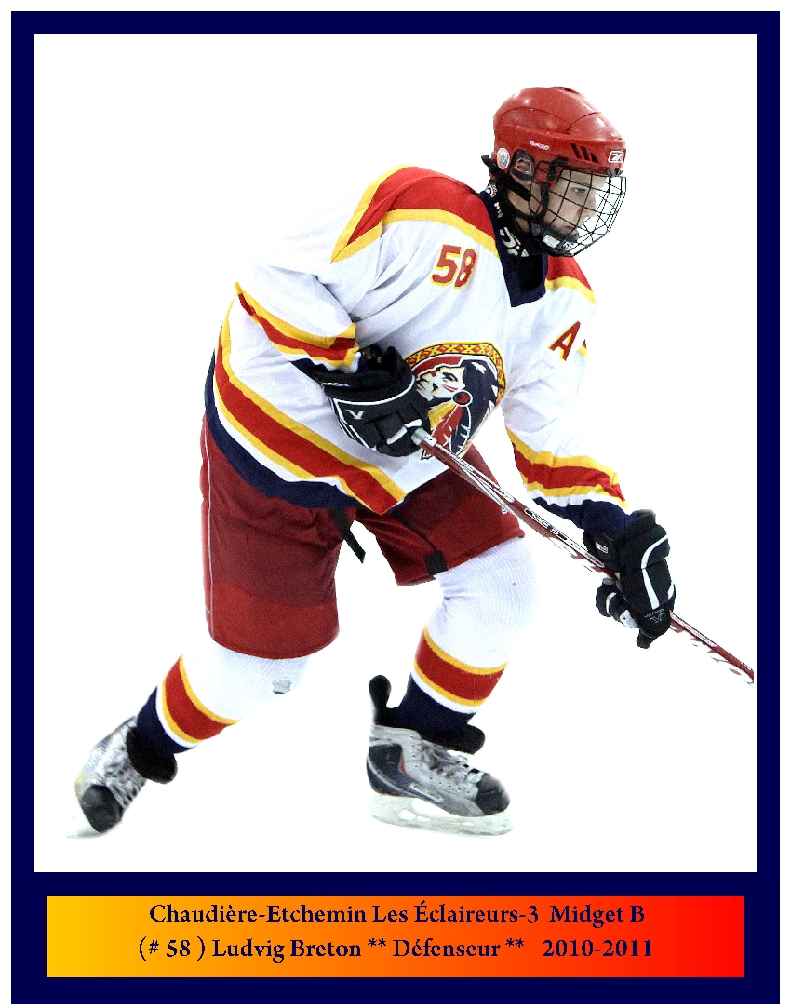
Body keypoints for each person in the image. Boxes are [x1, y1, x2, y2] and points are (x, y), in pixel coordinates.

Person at [70, 86, 675, 839]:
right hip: (280, 443)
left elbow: (549, 438)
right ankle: (138, 747)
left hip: (410, 453)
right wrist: (347, 368)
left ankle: (410, 750)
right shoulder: (416, 210)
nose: (589, 206)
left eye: (598, 188)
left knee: (504, 585)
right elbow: (272, 269)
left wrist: (616, 530)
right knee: (260, 675)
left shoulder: (563, 301)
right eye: (574, 184)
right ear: (520, 169)